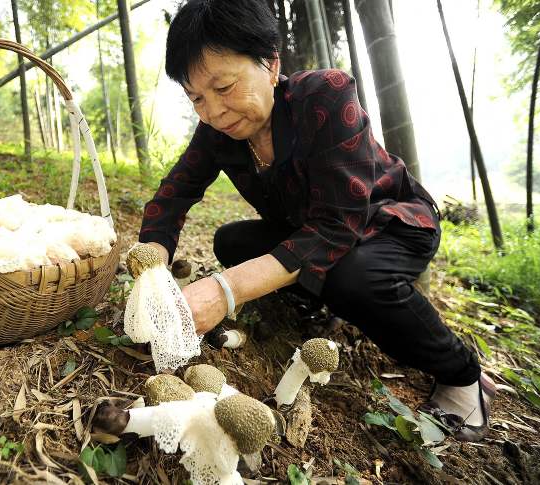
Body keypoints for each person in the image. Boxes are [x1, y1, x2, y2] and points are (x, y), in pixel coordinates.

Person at [137, 0, 494, 441]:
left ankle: (462, 374)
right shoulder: (215, 132)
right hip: (313, 231)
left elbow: (336, 226)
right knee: (233, 242)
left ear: (271, 64)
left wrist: (224, 291)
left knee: (354, 278)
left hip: (388, 223)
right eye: (196, 98)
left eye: (224, 87)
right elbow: (175, 194)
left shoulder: (324, 96)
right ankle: (314, 304)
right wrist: (150, 264)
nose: (212, 112)